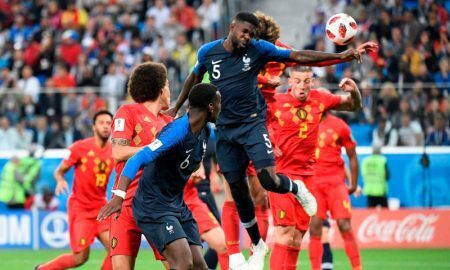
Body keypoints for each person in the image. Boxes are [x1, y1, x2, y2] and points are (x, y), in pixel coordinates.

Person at [167, 11, 377, 269]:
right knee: (237, 192)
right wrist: (176, 107)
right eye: (245, 32)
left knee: (264, 187)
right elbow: (194, 77)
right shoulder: (208, 52)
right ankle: (248, 249)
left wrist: (341, 56)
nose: (248, 38)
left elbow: (301, 56)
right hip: (225, 128)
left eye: (253, 35)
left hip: (255, 122)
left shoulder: (260, 50)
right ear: (232, 27)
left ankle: (294, 192)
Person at [98, 83, 221, 270]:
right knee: (183, 263)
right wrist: (119, 195)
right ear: (211, 106)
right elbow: (137, 158)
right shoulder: (177, 131)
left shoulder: (205, 133)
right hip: (153, 205)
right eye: (220, 102)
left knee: (199, 266)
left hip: (177, 205)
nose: (222, 107)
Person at [268, 67, 362, 270]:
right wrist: (267, 142)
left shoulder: (321, 99)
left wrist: (353, 90)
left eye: (307, 81)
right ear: (290, 81)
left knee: (296, 238)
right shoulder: (274, 101)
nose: (302, 86)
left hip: (309, 178)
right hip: (281, 177)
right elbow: (253, 121)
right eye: (298, 80)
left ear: (313, 82)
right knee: (284, 235)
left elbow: (354, 105)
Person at [108, 62, 172, 270]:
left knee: (180, 265)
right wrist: (156, 147)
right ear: (161, 88)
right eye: (168, 85)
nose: (170, 91)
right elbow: (118, 152)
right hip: (125, 204)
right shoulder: (127, 111)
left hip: (156, 205)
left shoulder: (168, 122)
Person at [36, 110, 114, 270]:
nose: (106, 126)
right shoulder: (80, 147)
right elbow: (59, 171)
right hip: (81, 208)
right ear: (94, 127)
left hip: (101, 208)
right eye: (102, 123)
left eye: (109, 123)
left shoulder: (115, 150)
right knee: (80, 258)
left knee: (116, 249)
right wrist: (60, 180)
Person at [309, 110, 361, 270]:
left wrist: (353, 184)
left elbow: (352, 156)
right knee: (315, 227)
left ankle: (357, 267)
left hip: (335, 184)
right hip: (315, 184)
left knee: (344, 224)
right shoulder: (306, 121)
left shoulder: (340, 126)